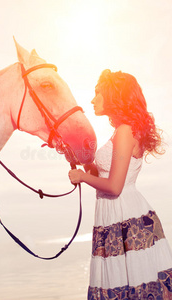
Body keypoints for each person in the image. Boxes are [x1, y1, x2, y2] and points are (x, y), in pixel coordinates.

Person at [68, 69, 172, 299]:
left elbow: (115, 186)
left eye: (98, 93)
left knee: (129, 284)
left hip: (124, 214)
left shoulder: (125, 131)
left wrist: (82, 178)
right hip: (117, 214)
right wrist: (83, 162)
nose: (93, 99)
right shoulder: (121, 130)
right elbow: (105, 176)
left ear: (113, 95)